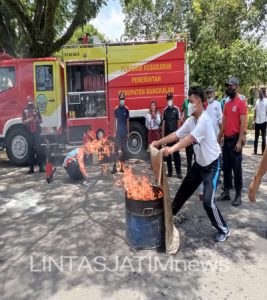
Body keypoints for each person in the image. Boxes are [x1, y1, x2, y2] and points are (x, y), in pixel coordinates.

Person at [152, 86, 229, 242]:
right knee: (182, 193)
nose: (189, 104)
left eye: (191, 101)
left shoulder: (204, 120)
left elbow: (189, 139)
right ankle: (167, 220)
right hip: (199, 165)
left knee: (208, 202)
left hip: (212, 166)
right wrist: (158, 142)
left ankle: (224, 229)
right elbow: (176, 134)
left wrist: (172, 149)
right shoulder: (191, 120)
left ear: (199, 102)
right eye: (188, 101)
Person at [217, 76, 247, 206]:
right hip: (227, 140)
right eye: (228, 85)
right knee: (226, 168)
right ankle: (226, 192)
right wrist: (220, 136)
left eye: (230, 85)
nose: (228, 88)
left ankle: (238, 194)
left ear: (236, 86)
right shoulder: (227, 103)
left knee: (237, 168)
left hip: (235, 139)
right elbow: (224, 121)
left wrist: (240, 141)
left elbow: (243, 123)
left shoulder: (241, 102)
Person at [22, 96, 45, 174]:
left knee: (39, 149)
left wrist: (37, 120)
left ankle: (41, 167)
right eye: (29, 102)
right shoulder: (25, 110)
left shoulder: (37, 109)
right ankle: (31, 169)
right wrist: (29, 120)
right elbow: (23, 122)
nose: (31, 105)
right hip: (29, 133)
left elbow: (41, 120)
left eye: (31, 102)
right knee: (31, 150)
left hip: (37, 132)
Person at [162, 92, 182, 179]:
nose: (169, 100)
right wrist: (163, 137)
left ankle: (179, 172)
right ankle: (170, 172)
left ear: (172, 99)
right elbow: (163, 124)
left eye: (170, 98)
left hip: (175, 135)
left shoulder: (176, 109)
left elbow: (178, 122)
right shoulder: (165, 111)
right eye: (168, 99)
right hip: (167, 135)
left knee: (176, 154)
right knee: (168, 154)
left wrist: (178, 135)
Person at [111, 92, 129, 174]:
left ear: (124, 99)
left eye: (123, 99)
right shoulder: (116, 109)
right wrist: (114, 133)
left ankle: (122, 167)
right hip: (118, 133)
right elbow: (115, 122)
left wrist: (128, 132)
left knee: (123, 151)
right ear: (119, 99)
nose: (122, 100)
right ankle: (114, 167)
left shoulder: (126, 109)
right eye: (121, 99)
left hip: (124, 134)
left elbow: (128, 122)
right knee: (116, 151)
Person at [181, 97, 194, 173]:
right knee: (188, 155)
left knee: (196, 155)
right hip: (187, 131)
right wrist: (182, 116)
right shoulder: (185, 102)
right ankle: (189, 172)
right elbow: (182, 111)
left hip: (194, 132)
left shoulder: (195, 102)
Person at [253, 87, 267, 155]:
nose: (260, 94)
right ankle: (255, 151)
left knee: (263, 137)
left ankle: (263, 152)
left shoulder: (266, 101)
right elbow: (255, 111)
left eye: (261, 93)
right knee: (256, 137)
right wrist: (253, 120)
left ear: (263, 94)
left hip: (264, 121)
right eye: (259, 93)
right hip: (257, 122)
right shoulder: (257, 101)